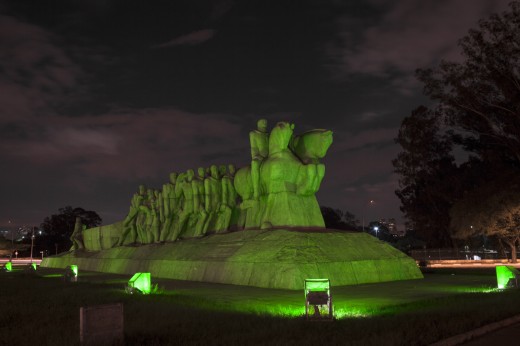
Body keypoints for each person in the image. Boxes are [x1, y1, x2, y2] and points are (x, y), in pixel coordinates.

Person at [249, 119, 269, 200]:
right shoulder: (253, 134)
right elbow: (253, 147)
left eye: (265, 122)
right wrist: (256, 156)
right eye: (263, 122)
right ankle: (256, 190)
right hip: (259, 157)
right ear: (258, 124)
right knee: (254, 164)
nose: (264, 123)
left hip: (270, 156)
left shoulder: (268, 135)